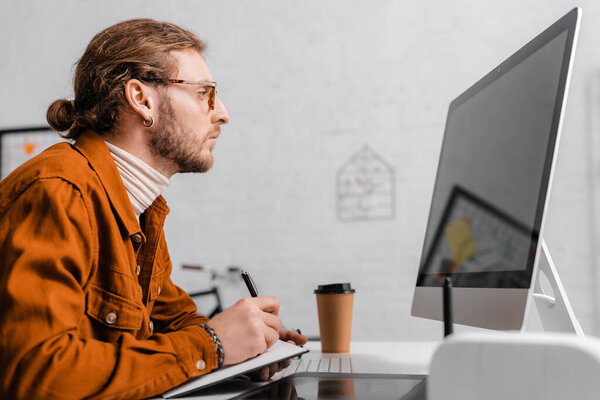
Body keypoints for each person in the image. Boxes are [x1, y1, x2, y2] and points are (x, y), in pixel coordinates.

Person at [0, 18, 306, 399]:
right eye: (204, 93)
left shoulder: (142, 206)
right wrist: (213, 345)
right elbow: (38, 375)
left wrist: (251, 346)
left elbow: (173, 320)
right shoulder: (58, 192)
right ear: (142, 99)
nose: (222, 113)